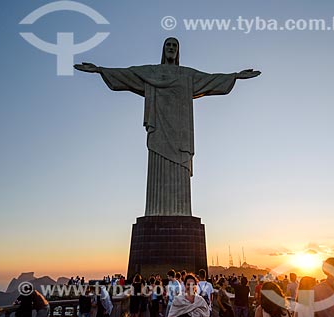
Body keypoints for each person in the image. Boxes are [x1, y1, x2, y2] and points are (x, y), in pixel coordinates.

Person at [74, 37, 260, 217]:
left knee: (180, 172)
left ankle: (180, 213)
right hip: (159, 131)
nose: (171, 48)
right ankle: (156, 212)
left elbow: (211, 79)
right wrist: (99, 70)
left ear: (178, 50)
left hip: (181, 132)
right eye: (168, 45)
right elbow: (127, 74)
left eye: (174, 45)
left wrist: (235, 76)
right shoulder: (151, 72)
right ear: (163, 49)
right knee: (157, 170)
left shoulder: (187, 75)